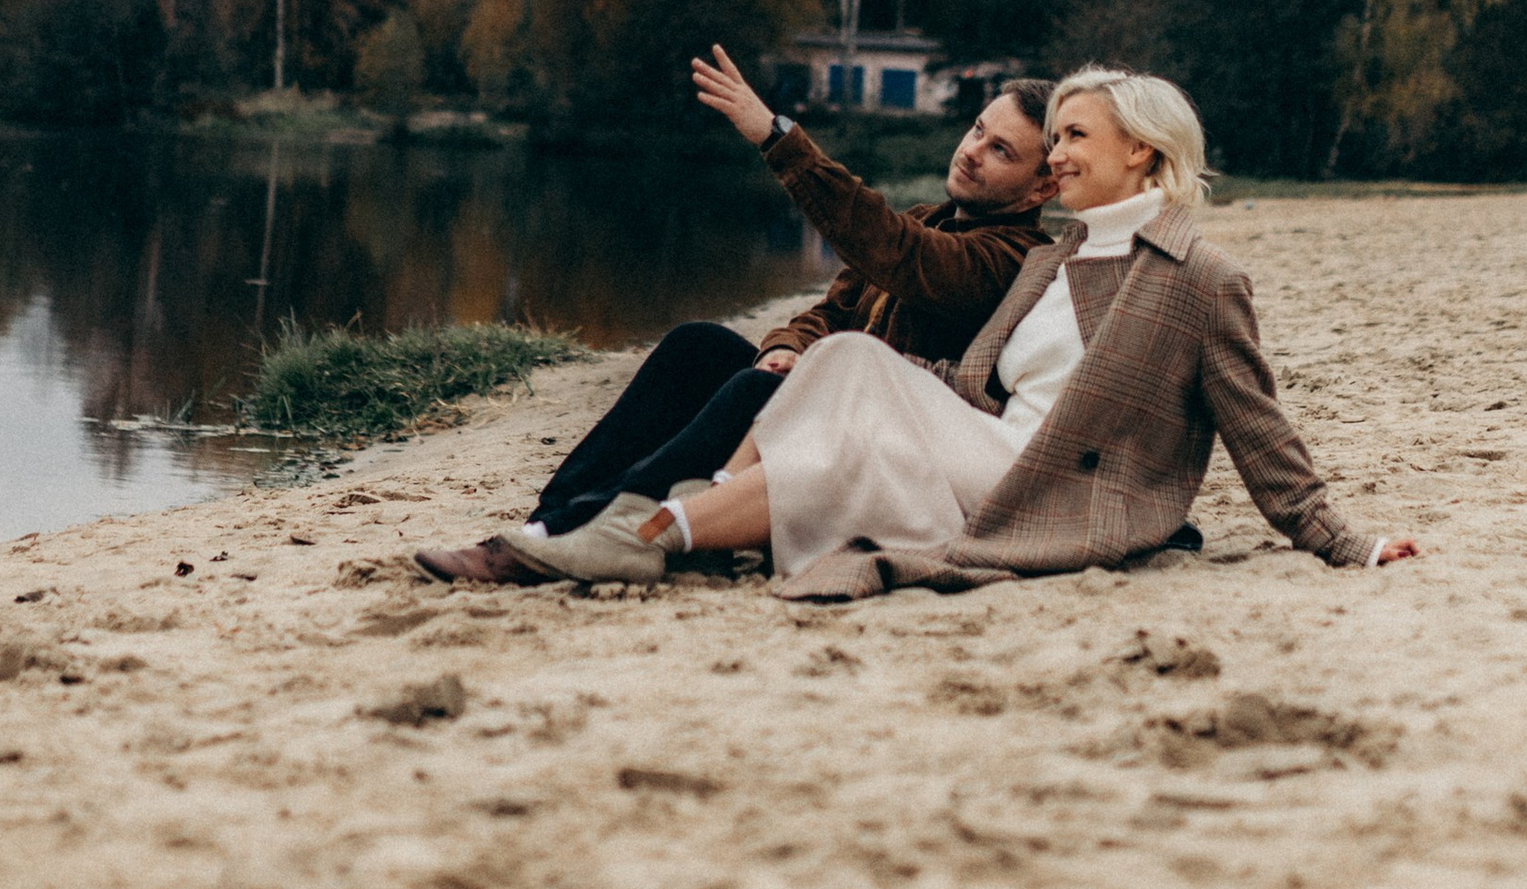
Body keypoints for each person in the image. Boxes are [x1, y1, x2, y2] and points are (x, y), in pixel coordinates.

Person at [519, 65, 1420, 592]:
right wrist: (871, 384)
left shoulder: (1198, 278)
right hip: (988, 444)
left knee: (850, 371)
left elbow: (1259, 428)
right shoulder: (1052, 260)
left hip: (1043, 487)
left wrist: (1346, 540)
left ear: (1139, 150)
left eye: (1073, 138)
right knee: (846, 353)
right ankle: (666, 521)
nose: (1056, 155)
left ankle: (651, 529)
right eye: (1053, 138)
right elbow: (974, 384)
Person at [412, 52, 1055, 586]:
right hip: (819, 397)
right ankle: (544, 525)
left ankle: (592, 531)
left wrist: (781, 143)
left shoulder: (1013, 258)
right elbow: (829, 312)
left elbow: (897, 254)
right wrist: (787, 345)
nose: (973, 151)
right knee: (699, 346)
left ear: (1040, 189)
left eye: (1002, 151)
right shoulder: (927, 216)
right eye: (977, 129)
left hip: (865, 437)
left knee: (754, 389)